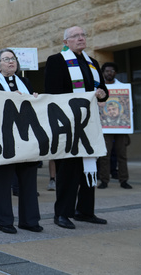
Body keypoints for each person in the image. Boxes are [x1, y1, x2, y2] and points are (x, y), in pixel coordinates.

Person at [44, 26, 109, 230]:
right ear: (66, 42)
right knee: (68, 170)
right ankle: (62, 213)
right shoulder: (56, 61)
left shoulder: (92, 62)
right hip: (68, 124)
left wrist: (101, 94)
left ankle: (85, 211)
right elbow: (52, 92)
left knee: (90, 168)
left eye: (83, 35)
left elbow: (104, 91)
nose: (81, 38)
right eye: (76, 36)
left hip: (90, 123)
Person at [0, 48, 42, 234]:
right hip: (4, 138)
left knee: (28, 179)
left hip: (26, 137)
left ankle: (29, 220)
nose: (11, 62)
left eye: (13, 59)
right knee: (2, 179)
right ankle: (4, 221)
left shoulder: (25, 82)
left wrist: (33, 99)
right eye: (6, 59)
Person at [97, 62, 132, 190]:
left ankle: (124, 180)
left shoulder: (123, 87)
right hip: (105, 128)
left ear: (115, 72)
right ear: (103, 73)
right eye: (107, 71)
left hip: (121, 128)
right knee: (105, 155)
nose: (109, 73)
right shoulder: (99, 89)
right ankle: (104, 180)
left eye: (112, 71)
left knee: (122, 154)